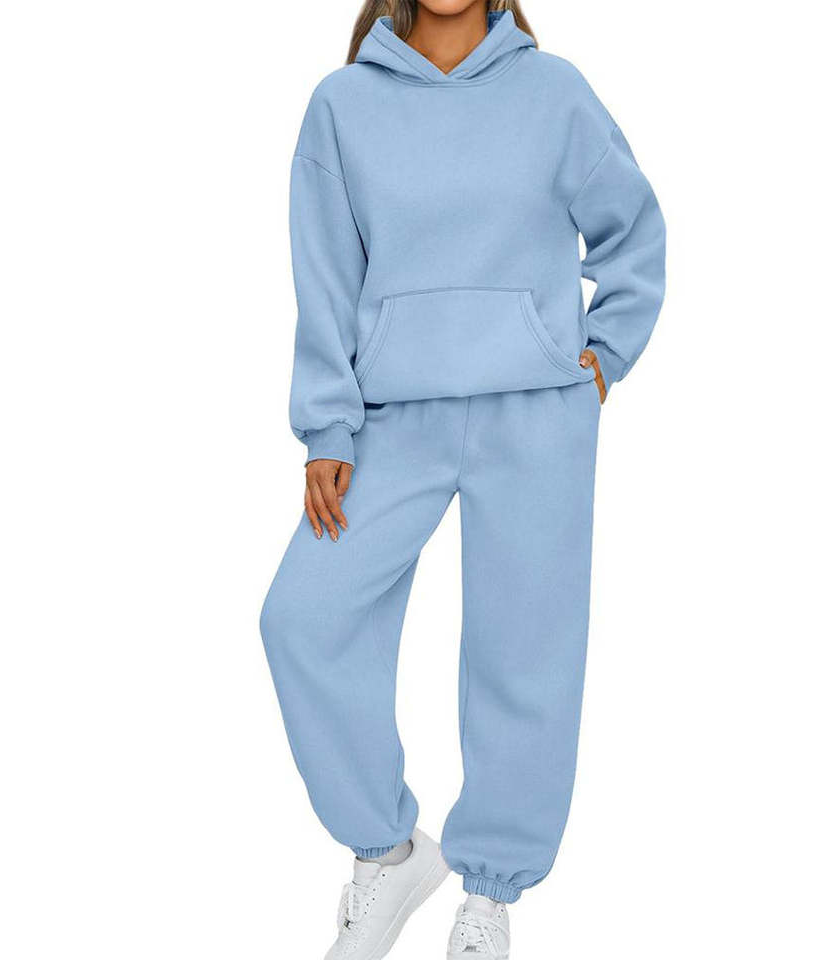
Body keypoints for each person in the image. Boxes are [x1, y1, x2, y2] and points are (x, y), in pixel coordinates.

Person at [259, 1, 666, 956]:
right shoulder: (343, 105)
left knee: (526, 649)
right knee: (303, 618)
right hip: (392, 417)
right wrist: (328, 427)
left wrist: (602, 356)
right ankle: (388, 851)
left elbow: (634, 232)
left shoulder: (555, 94)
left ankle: (490, 895)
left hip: (535, 410)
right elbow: (324, 277)